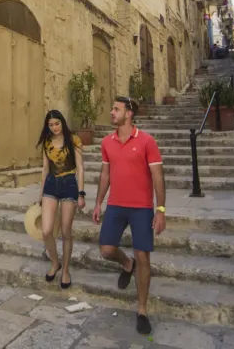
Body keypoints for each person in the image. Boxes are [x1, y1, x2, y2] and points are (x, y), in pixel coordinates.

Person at [92, 96, 166, 335]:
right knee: (105, 250)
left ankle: (142, 310)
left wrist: (161, 210)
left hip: (141, 208)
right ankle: (126, 263)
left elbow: (158, 178)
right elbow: (105, 175)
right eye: (112, 108)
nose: (112, 112)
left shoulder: (146, 141)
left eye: (116, 109)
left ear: (129, 113)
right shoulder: (107, 142)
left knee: (143, 256)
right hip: (115, 205)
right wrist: (98, 202)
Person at [35, 110, 85, 290]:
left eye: (57, 123)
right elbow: (45, 169)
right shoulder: (47, 143)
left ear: (62, 122)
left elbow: (80, 168)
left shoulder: (74, 140)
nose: (54, 127)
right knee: (47, 230)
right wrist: (40, 194)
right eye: (51, 125)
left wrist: (81, 193)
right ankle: (55, 263)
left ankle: (65, 270)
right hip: (51, 185)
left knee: (65, 231)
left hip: (69, 184)